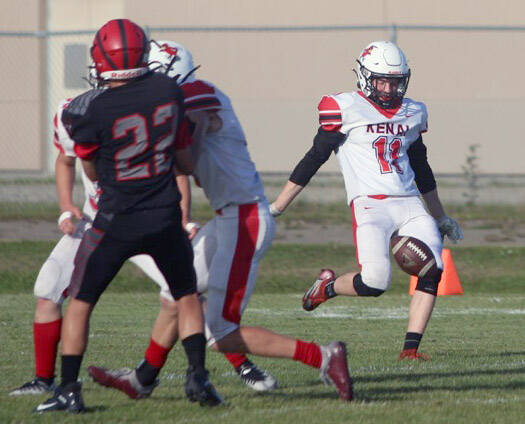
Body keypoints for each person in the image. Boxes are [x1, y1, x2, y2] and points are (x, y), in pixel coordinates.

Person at [87, 40, 353, 402]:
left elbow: (189, 155)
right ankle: (143, 379)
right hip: (228, 218)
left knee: (220, 332)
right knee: (175, 295)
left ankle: (323, 356)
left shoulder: (194, 93)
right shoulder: (186, 98)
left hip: (244, 219)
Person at [34, 19, 221, 414]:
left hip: (115, 219)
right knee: (186, 295)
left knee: (81, 302)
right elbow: (184, 162)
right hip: (164, 216)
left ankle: (68, 388)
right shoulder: (168, 91)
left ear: (101, 58)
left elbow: (92, 173)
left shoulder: (88, 110)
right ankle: (198, 377)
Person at [270, 41, 463, 360]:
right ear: (364, 77)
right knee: (375, 282)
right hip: (370, 204)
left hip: (410, 203)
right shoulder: (344, 107)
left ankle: (410, 351)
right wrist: (278, 205)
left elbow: (422, 168)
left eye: (395, 82)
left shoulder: (414, 111)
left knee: (432, 269)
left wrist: (440, 215)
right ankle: (327, 287)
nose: (388, 89)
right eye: (381, 81)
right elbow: (314, 158)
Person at [8, 93, 198, 399]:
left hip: (142, 220)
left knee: (183, 295)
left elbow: (176, 169)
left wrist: (183, 217)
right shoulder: (75, 109)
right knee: (47, 289)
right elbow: (65, 159)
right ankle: (44, 379)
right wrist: (67, 205)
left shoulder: (146, 102)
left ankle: (148, 377)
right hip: (97, 221)